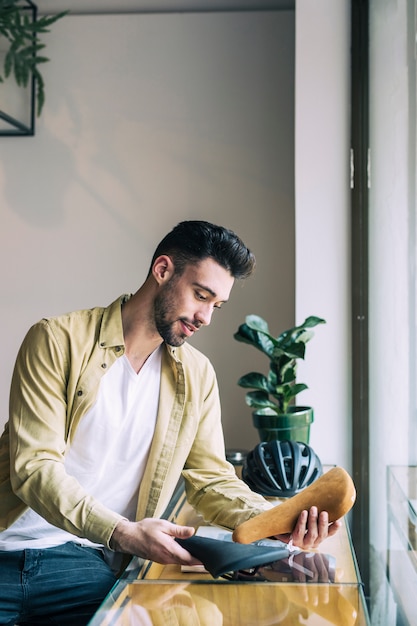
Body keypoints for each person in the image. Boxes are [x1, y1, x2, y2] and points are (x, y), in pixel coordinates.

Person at [0, 221, 341, 625]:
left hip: (83, 559)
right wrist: (124, 532)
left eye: (217, 305)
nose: (206, 317)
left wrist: (273, 521)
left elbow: (211, 479)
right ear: (163, 270)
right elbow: (34, 468)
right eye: (201, 295)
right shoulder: (57, 340)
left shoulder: (196, 375)